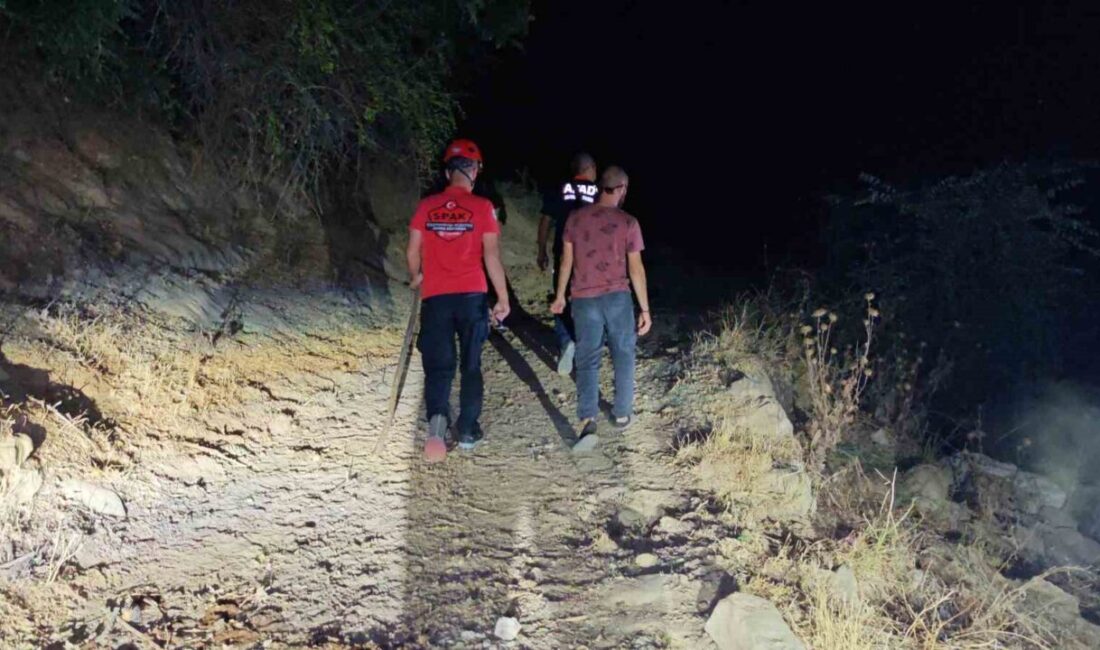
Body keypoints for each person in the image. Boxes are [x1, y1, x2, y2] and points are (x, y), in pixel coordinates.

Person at [407, 138, 510, 461]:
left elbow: (412, 250)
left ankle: (437, 426)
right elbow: (491, 257)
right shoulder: (483, 208)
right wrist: (502, 298)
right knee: (470, 365)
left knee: (439, 368)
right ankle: (466, 430)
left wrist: (416, 276)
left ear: (447, 171)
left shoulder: (426, 206)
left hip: (436, 298)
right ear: (475, 170)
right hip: (472, 297)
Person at [551, 166, 651, 442]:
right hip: (617, 298)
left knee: (587, 357)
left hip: (583, 298)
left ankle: (587, 417)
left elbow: (566, 261)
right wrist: (644, 309)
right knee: (623, 353)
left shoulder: (575, 218)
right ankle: (621, 413)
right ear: (621, 189)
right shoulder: (628, 222)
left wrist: (560, 296)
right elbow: (636, 269)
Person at [538, 153, 599, 375]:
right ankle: (586, 346)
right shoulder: (599, 192)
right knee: (589, 300)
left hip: (563, 252)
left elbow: (546, 220)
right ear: (590, 168)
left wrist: (541, 249)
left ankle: (566, 340)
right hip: (592, 257)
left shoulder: (560, 188)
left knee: (560, 296)